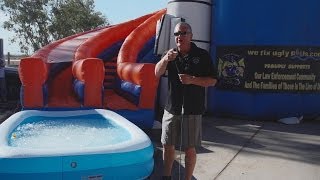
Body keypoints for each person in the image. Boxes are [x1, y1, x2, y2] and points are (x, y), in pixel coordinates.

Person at [155, 22, 217, 180]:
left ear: (191, 35)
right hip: (171, 108)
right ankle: (166, 177)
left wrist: (192, 80)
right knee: (167, 144)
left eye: (183, 33)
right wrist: (165, 60)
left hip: (192, 109)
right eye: (176, 34)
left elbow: (212, 81)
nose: (179, 37)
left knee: (189, 148)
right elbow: (157, 72)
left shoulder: (202, 55)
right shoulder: (170, 54)